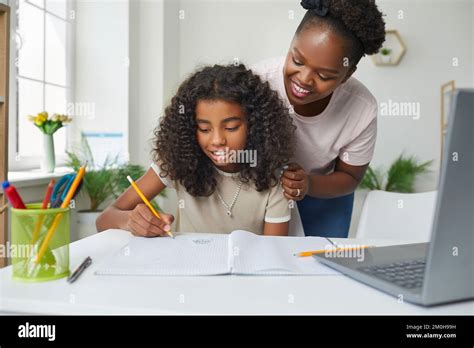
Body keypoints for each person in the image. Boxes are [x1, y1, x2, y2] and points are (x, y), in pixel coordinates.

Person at [96, 64, 295, 236]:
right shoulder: (177, 163)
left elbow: (273, 255)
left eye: (231, 127)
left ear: (255, 125)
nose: (217, 140)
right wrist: (130, 220)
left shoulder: (276, 178)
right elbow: (104, 220)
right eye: (204, 129)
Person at [251, 0, 386, 237]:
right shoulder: (257, 82)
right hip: (259, 190)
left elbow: (350, 177)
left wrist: (309, 184)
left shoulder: (361, 108)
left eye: (324, 75)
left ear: (347, 74)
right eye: (297, 60)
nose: (304, 79)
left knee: (320, 265)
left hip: (323, 193)